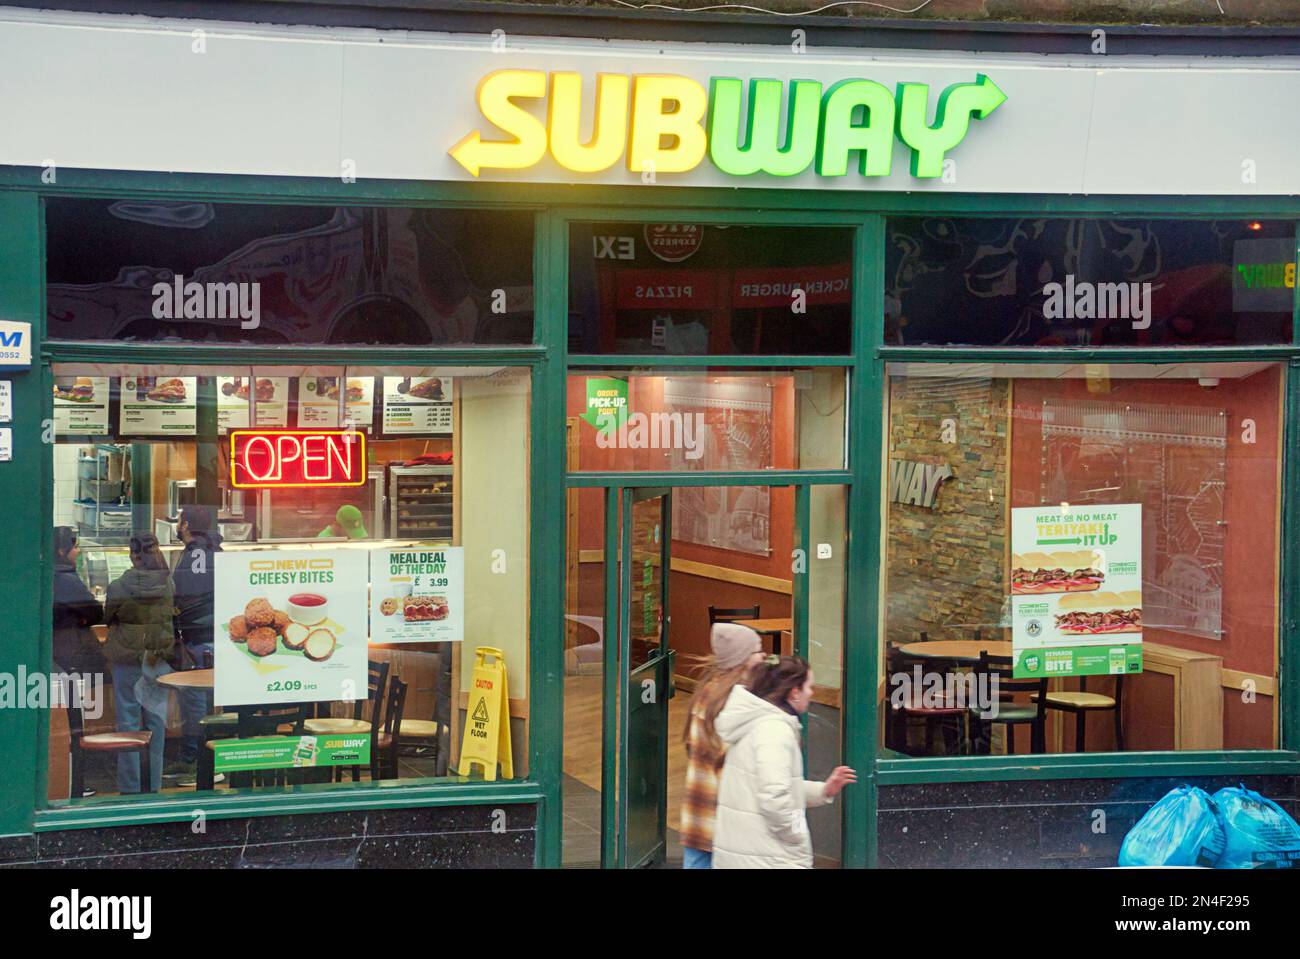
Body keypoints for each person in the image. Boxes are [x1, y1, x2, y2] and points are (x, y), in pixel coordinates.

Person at [712, 655, 857, 869]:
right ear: (794, 692)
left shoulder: (756, 724)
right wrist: (795, 834)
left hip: (748, 854)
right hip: (768, 858)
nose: (812, 693)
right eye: (809, 687)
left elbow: (772, 786)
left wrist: (823, 790)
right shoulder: (774, 731)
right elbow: (774, 797)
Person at [679, 623, 764, 869]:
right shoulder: (731, 704)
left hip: (699, 817)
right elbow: (735, 766)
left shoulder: (709, 692)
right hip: (722, 821)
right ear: (742, 660)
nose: (763, 656)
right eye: (757, 651)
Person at [103, 533, 174, 794]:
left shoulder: (118, 586)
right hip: (156, 657)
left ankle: (131, 787)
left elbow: (109, 617)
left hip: (126, 658)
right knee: (156, 722)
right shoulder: (168, 584)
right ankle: (153, 784)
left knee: (128, 722)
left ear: (133, 555)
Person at [166, 504, 222, 784]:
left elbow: (184, 593)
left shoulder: (196, 553)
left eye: (179, 520)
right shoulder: (216, 550)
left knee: (195, 705)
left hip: (199, 639)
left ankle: (196, 763)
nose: (178, 525)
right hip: (218, 638)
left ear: (186, 525)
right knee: (208, 703)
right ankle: (207, 759)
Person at [52, 526, 106, 677]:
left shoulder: (49, 574)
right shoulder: (65, 579)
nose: (78, 551)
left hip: (58, 650)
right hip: (71, 651)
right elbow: (96, 612)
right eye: (75, 548)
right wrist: (80, 619)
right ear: (62, 551)